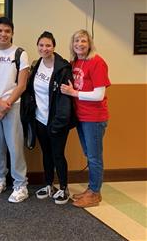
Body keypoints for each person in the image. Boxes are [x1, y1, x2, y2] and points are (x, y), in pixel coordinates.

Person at [0, 17, 29, 203]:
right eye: (0, 30)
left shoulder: (20, 53)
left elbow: (22, 84)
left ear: (12, 33)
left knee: (15, 146)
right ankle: (0, 178)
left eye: (7, 31)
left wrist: (6, 104)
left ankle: (20, 184)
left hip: (13, 106)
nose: (3, 34)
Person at [61, 29, 110, 208]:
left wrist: (74, 92)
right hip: (81, 116)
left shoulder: (97, 62)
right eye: (76, 41)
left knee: (95, 157)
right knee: (89, 154)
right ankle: (91, 190)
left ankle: (95, 193)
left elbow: (99, 94)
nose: (79, 44)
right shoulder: (75, 62)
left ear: (89, 44)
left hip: (94, 118)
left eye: (83, 41)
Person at [26, 31, 74, 205]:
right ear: (37, 46)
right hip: (40, 119)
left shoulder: (62, 68)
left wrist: (59, 123)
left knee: (58, 155)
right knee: (46, 154)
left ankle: (63, 187)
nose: (44, 48)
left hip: (56, 122)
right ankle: (49, 184)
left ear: (54, 47)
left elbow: (65, 99)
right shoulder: (37, 64)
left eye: (48, 45)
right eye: (41, 45)